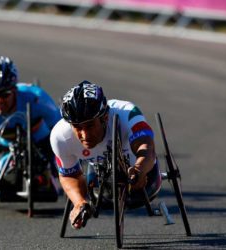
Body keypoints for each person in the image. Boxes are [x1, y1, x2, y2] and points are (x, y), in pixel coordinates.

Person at [50, 80, 161, 229]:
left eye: (90, 125)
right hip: (100, 180)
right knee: (96, 196)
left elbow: (147, 148)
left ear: (105, 117)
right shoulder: (60, 136)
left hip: (143, 173)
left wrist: (139, 169)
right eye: (77, 127)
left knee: (139, 189)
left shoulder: (128, 112)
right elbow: (69, 174)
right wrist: (79, 202)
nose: (84, 134)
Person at [0, 56, 61, 195]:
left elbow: (63, 133)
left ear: (14, 90)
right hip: (5, 148)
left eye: (5, 94)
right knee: (3, 170)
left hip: (42, 141)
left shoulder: (37, 98)